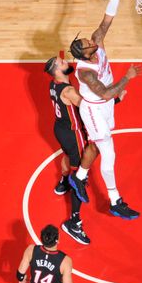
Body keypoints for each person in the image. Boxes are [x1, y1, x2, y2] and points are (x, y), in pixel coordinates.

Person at [69, 0, 142, 220]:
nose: (91, 40)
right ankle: (115, 200)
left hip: (106, 104)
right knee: (108, 153)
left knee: (95, 147)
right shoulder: (85, 72)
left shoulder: (96, 42)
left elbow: (107, 20)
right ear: (85, 52)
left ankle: (78, 178)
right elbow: (104, 92)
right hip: (94, 109)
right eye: (87, 42)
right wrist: (127, 78)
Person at [45, 55, 100, 245]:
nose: (65, 61)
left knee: (67, 155)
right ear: (58, 71)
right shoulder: (68, 90)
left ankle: (63, 182)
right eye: (62, 62)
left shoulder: (53, 85)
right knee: (80, 176)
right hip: (73, 132)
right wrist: (112, 99)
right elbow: (87, 108)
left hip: (60, 129)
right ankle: (74, 222)